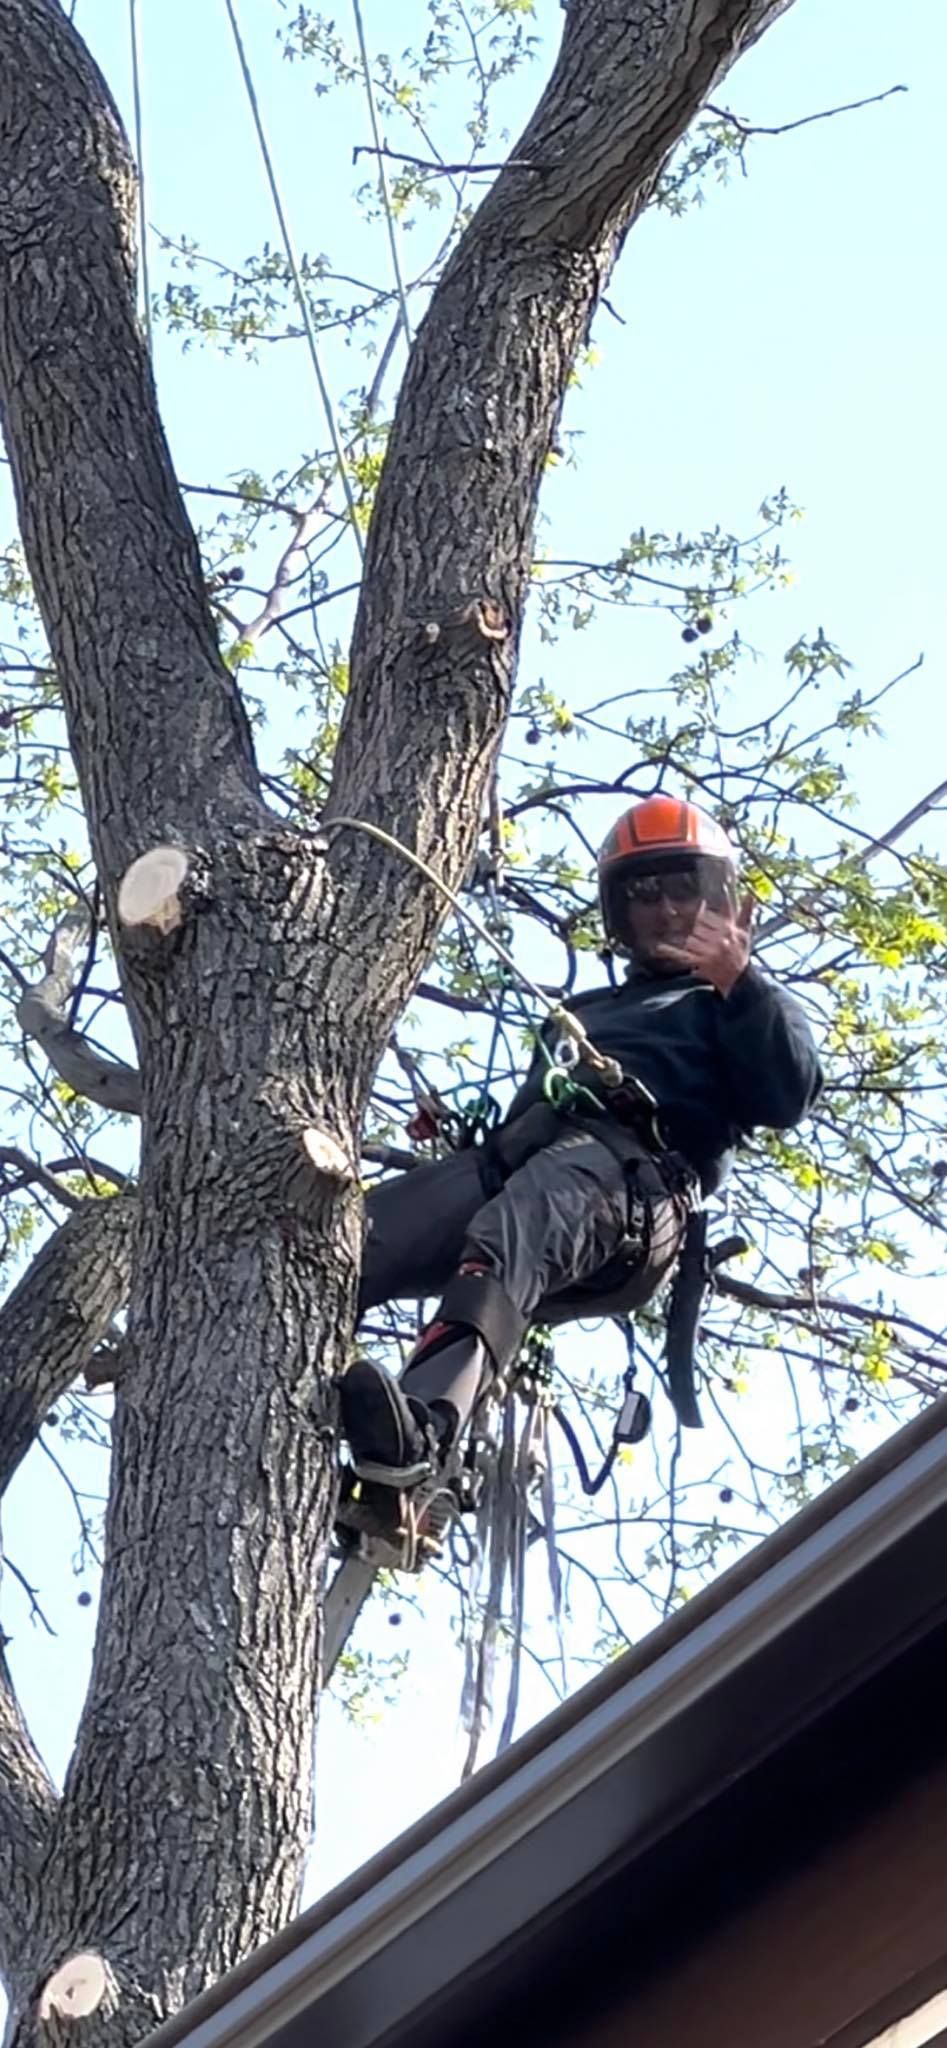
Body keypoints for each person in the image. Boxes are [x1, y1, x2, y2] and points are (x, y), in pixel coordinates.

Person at [338, 793, 822, 1514]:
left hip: (632, 1191)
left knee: (517, 1226)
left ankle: (423, 1433)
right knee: (348, 1240)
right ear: (618, 914)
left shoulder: (738, 1006)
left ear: (722, 901)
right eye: (642, 895)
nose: (662, 911)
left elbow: (787, 1095)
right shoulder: (583, 1016)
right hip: (528, 1167)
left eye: (682, 892)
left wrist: (738, 982)